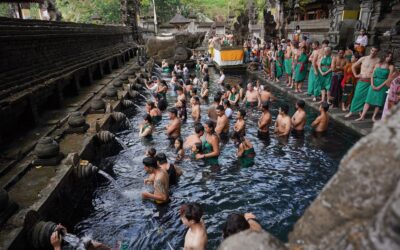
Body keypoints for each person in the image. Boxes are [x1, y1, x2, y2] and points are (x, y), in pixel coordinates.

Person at [356, 52, 394, 121]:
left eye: (390, 57)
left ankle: (374, 117)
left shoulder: (390, 66)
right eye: (388, 56)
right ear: (384, 56)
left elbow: (389, 78)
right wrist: (372, 84)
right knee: (368, 100)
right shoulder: (377, 64)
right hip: (374, 82)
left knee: (378, 102)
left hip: (382, 84)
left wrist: (380, 86)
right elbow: (372, 75)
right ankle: (362, 116)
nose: (389, 58)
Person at [345, 46, 380, 118]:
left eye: (375, 51)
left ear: (377, 52)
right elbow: (353, 66)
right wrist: (355, 75)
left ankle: (361, 112)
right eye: (372, 50)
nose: (373, 52)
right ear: (370, 50)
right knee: (357, 96)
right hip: (362, 80)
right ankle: (351, 111)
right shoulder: (363, 58)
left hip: (371, 81)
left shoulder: (378, 60)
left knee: (366, 99)